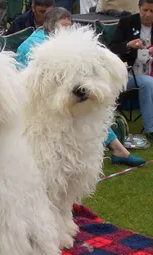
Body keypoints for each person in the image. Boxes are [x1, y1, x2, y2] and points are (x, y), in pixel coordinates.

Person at [15, 8, 146, 166]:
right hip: (50, 120)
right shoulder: (39, 51)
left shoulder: (78, 49)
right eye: (63, 26)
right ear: (50, 27)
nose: (68, 30)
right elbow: (28, 84)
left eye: (70, 26)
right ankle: (118, 149)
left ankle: (118, 149)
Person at [110, 0, 153, 140]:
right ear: (139, 8)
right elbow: (112, 47)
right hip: (128, 76)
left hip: (150, 72)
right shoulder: (127, 22)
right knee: (147, 83)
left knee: (148, 83)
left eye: (152, 11)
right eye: (145, 10)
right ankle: (151, 129)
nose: (147, 14)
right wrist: (128, 44)